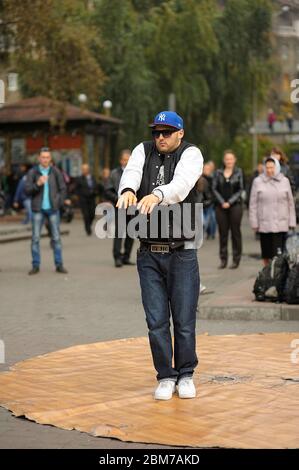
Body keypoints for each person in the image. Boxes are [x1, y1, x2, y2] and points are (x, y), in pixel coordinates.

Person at [116, 111, 203, 400]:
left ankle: (186, 373)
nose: (160, 137)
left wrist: (157, 195)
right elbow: (131, 171)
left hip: (182, 252)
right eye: (156, 132)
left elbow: (181, 185)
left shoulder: (192, 154)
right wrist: (128, 188)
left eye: (166, 132)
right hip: (148, 253)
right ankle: (166, 375)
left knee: (184, 319)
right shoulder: (143, 149)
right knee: (155, 321)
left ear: (180, 132)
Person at [25, 147, 68, 275]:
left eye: (47, 157)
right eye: (43, 157)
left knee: (56, 238)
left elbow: (63, 189)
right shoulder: (33, 172)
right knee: (35, 238)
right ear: (39, 158)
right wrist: (37, 184)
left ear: (50, 159)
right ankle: (35, 265)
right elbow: (27, 190)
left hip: (53, 209)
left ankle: (59, 264)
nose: (45, 160)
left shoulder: (55, 172)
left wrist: (58, 201)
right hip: (38, 209)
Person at [249, 157, 296, 266]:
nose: (270, 170)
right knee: (266, 254)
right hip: (264, 224)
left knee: (279, 255)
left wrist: (292, 222)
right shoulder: (258, 181)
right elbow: (253, 204)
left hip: (281, 224)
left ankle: (278, 277)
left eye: (272, 167)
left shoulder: (285, 181)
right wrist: (254, 222)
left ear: (277, 167)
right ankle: (268, 277)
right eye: (268, 167)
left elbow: (290, 203)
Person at [212, 150, 244, 269]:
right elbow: (214, 188)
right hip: (220, 207)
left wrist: (230, 202)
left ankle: (236, 259)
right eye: (227, 159)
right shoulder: (218, 172)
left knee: (235, 233)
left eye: (231, 159)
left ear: (234, 160)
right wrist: (222, 202)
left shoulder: (239, 172)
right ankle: (223, 259)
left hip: (235, 206)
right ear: (224, 160)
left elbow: (241, 189)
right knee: (223, 233)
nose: (229, 161)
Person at [105, 150, 135, 267]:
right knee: (119, 233)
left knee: (131, 233)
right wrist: (117, 200)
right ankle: (117, 257)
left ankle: (126, 256)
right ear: (121, 160)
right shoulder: (114, 173)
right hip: (120, 207)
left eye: (128, 159)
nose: (126, 162)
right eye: (124, 159)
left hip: (133, 207)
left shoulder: (137, 173)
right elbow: (107, 190)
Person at [76, 164, 98, 235]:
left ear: (88, 170)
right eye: (83, 169)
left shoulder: (93, 177)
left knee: (92, 214)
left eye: (86, 169)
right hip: (83, 200)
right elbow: (76, 189)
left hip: (92, 198)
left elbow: (96, 186)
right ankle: (88, 229)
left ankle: (89, 224)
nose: (84, 171)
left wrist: (96, 192)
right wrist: (78, 196)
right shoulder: (79, 179)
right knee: (86, 215)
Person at [197, 162, 216, 240]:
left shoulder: (213, 178)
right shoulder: (199, 178)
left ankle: (211, 234)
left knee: (211, 220)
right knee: (203, 222)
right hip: (201, 203)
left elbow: (214, 191)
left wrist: (211, 200)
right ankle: (203, 235)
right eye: (205, 168)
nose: (207, 170)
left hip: (210, 203)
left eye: (208, 169)